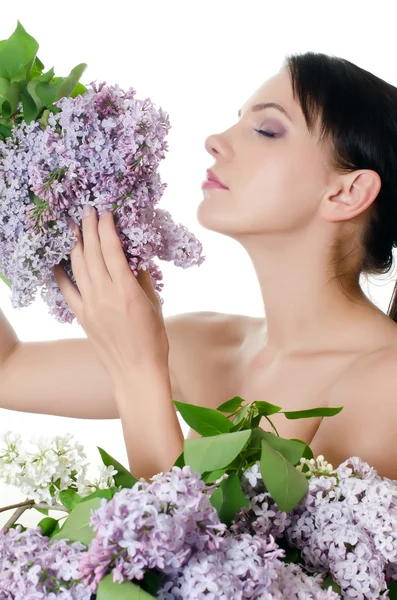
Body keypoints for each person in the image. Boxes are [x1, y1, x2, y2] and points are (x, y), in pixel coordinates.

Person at [1, 50, 397, 481]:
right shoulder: (212, 345)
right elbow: (8, 369)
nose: (216, 139)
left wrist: (136, 369)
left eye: (266, 129)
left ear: (347, 193)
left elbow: (177, 547)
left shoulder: (386, 385)